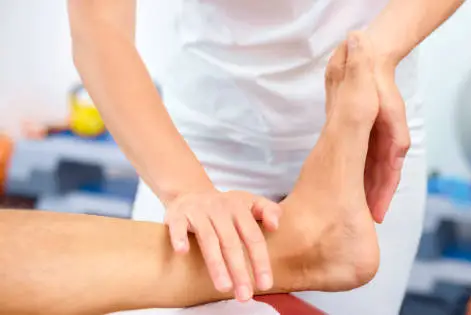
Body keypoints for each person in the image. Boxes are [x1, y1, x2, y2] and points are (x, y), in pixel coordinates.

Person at [67, 1, 463, 313]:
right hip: (201, 146)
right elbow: (98, 25)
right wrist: (186, 191)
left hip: (362, 139)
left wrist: (374, 54)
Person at [4, 37, 379, 315]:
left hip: (383, 84)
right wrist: (189, 192)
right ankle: (294, 249)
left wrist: (386, 50)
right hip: (206, 122)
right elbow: (99, 34)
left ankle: (297, 246)